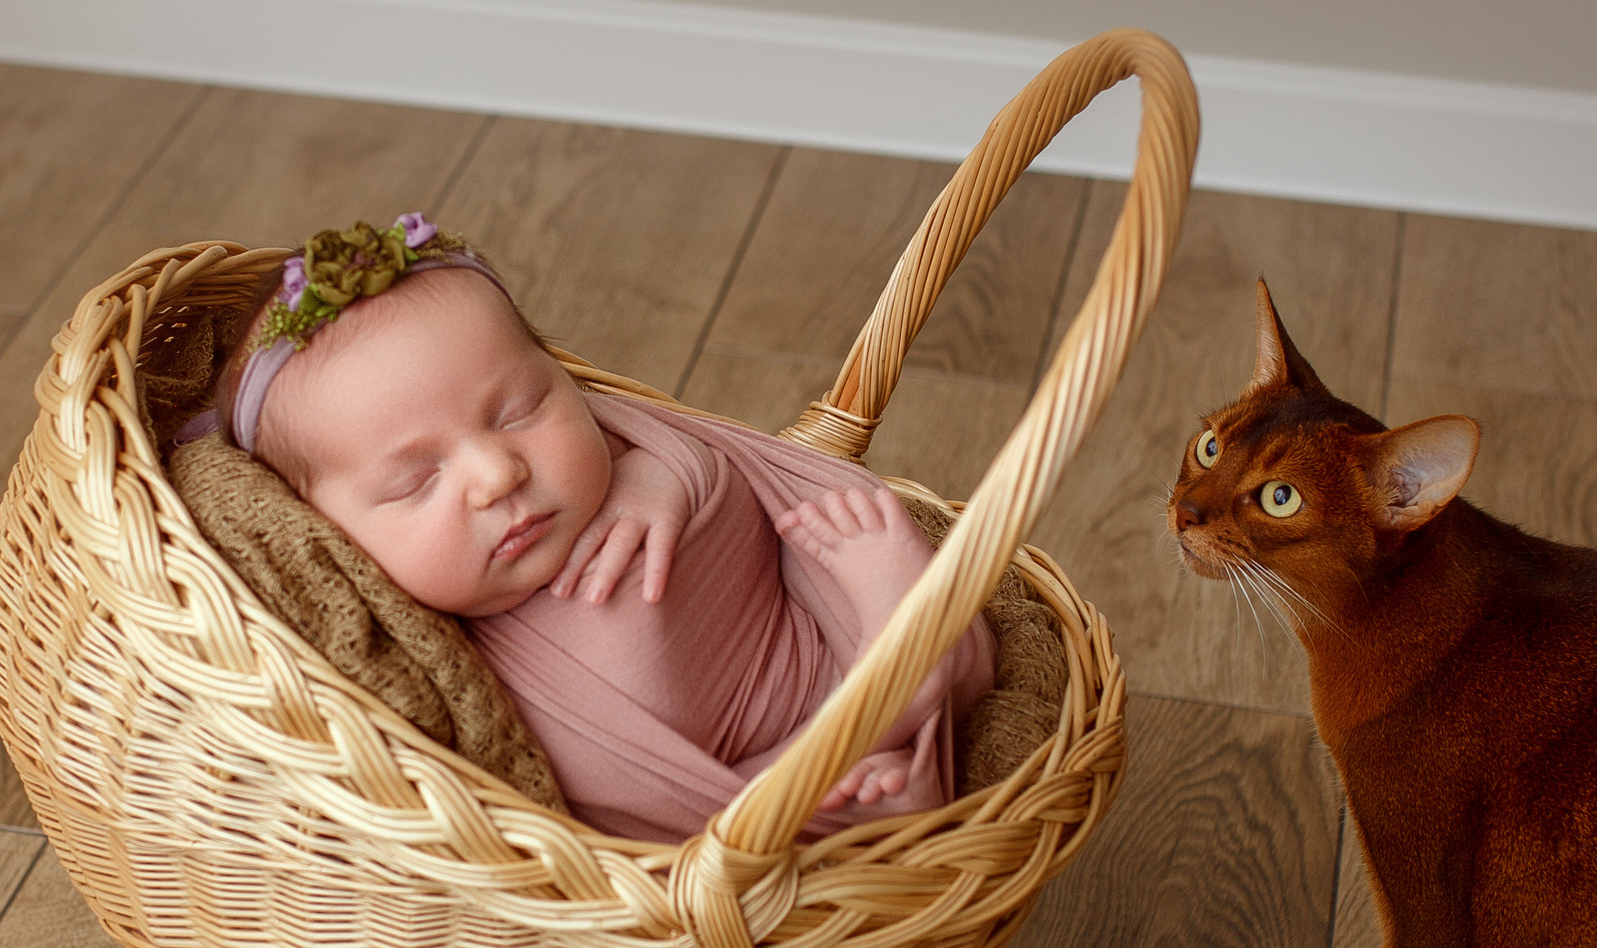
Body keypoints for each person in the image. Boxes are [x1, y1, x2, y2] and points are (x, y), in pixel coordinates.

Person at [188, 215, 993, 843]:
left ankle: (893, 651)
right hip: (706, 781)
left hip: (784, 643)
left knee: (808, 530)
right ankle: (867, 763)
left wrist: (662, 471)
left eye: (520, 409)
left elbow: (687, 440)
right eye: (416, 480)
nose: (498, 473)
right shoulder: (413, 634)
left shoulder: (616, 455)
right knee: (690, 835)